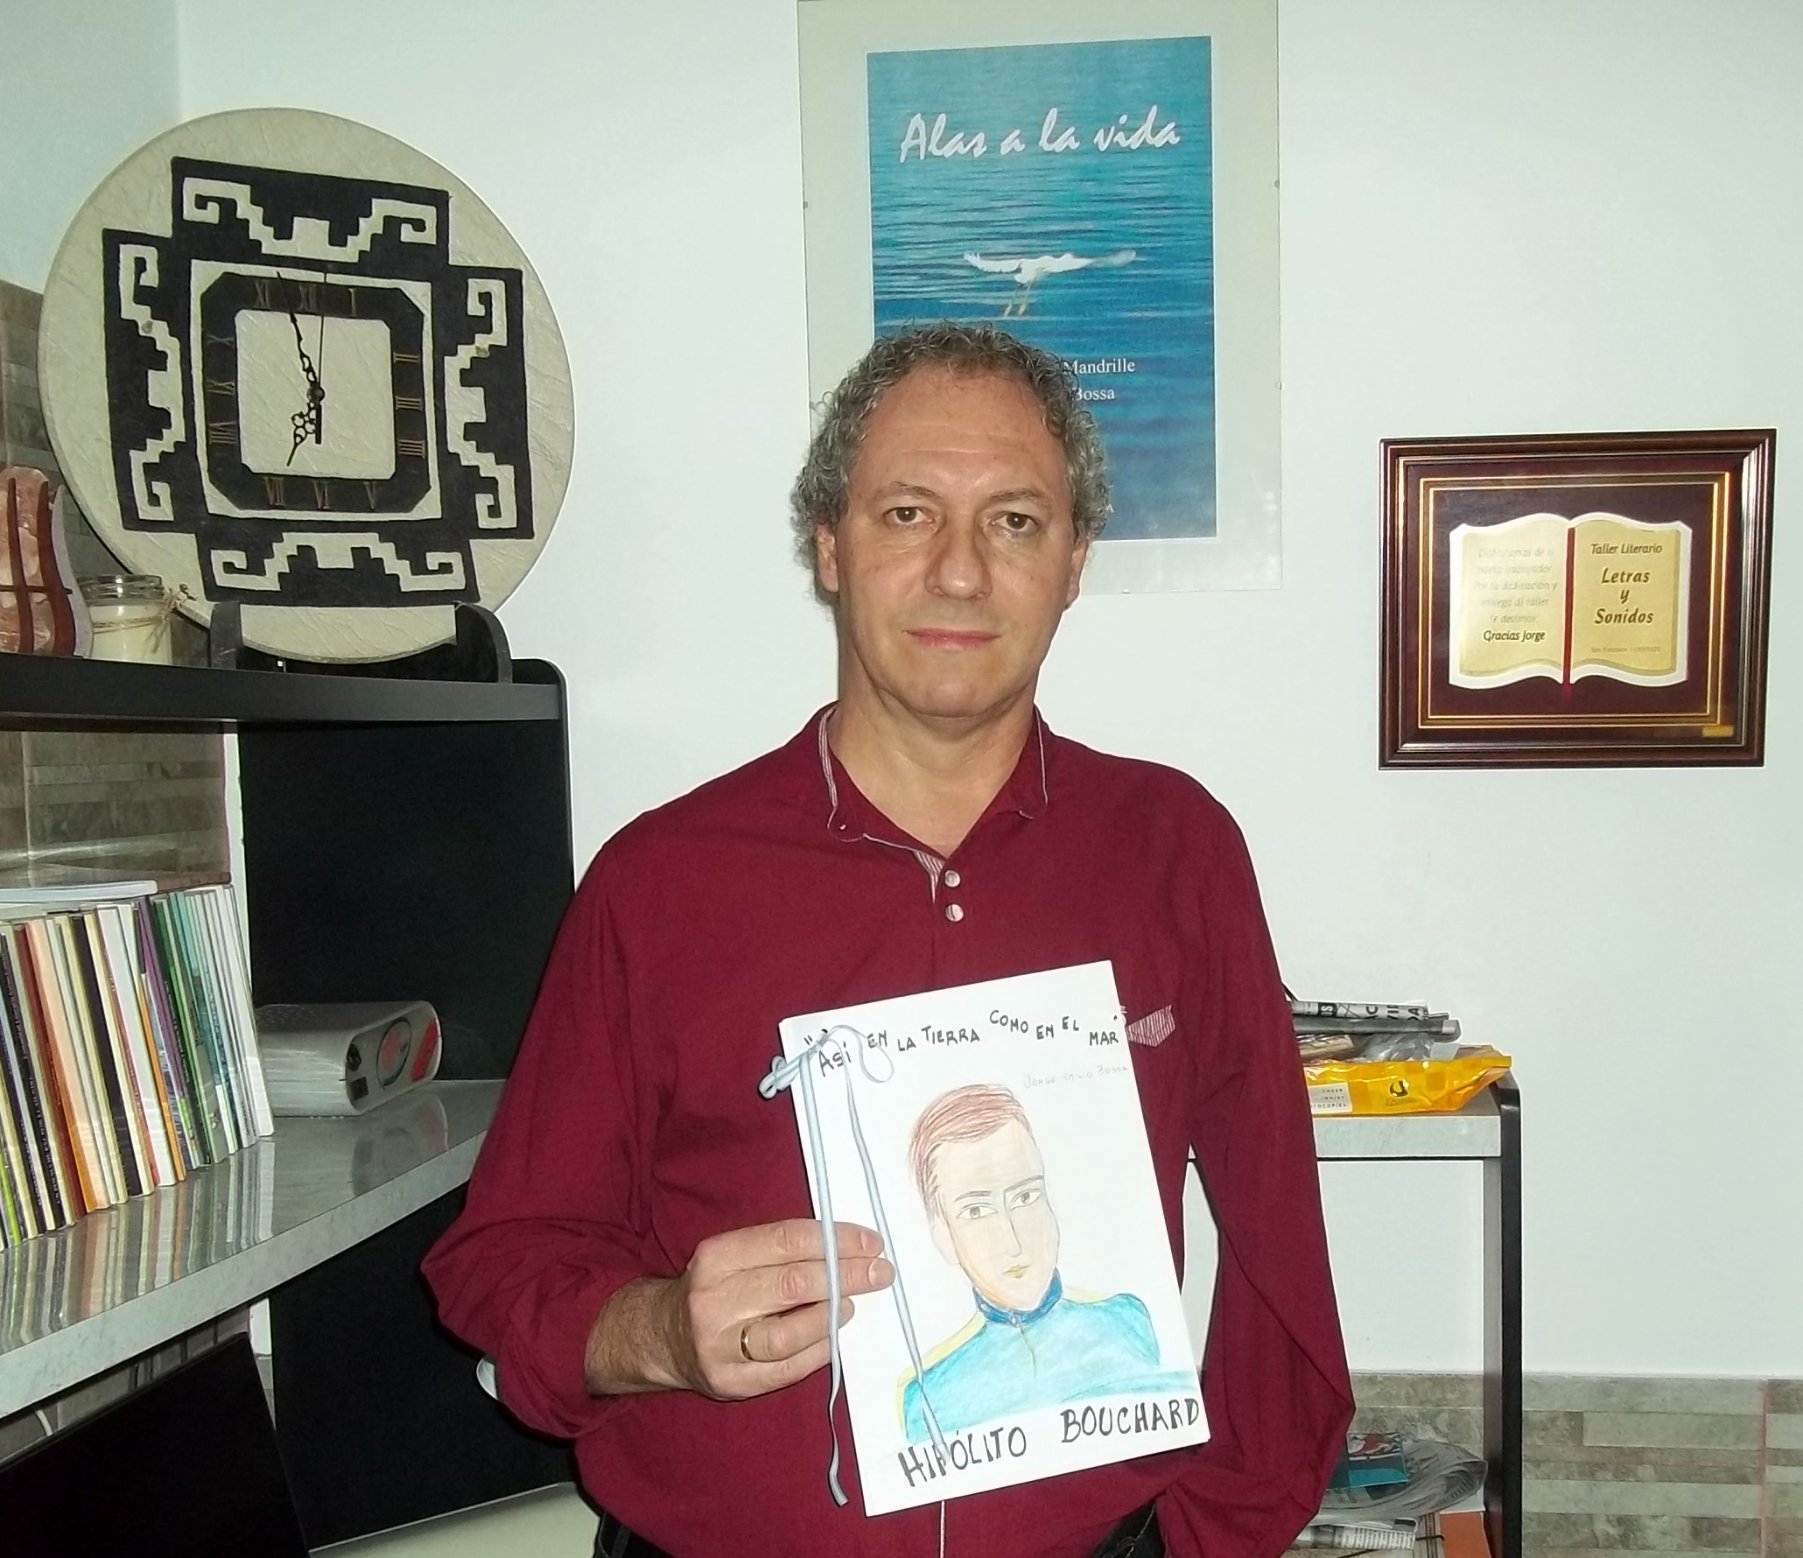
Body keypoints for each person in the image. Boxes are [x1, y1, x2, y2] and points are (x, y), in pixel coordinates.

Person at [423, 322, 1353, 1558]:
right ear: (830, 545)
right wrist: (660, 1333)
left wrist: (1216, 1534)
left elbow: (1281, 1249)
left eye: (1016, 520)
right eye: (909, 513)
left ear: (1075, 561)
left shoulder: (1178, 852)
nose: (960, 571)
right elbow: (503, 1261)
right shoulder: (658, 884)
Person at [900, 1083, 1200, 1443]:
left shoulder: (1128, 1324)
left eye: (1025, 1196)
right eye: (976, 1211)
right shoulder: (927, 1399)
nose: (1013, 1242)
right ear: (944, 1238)